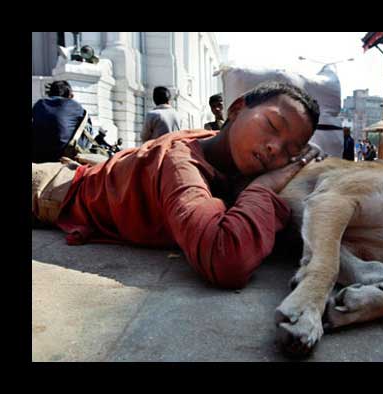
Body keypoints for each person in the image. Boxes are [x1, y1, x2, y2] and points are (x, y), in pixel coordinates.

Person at [32, 81, 325, 290]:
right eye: (272, 126)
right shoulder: (181, 163)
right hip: (55, 188)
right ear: (236, 109)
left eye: (292, 150)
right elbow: (225, 259)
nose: (276, 148)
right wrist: (264, 186)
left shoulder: (223, 150)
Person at [32, 80, 94, 163]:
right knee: (85, 125)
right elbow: (89, 133)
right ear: (69, 94)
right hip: (63, 155)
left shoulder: (39, 104)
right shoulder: (76, 106)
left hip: (38, 155)